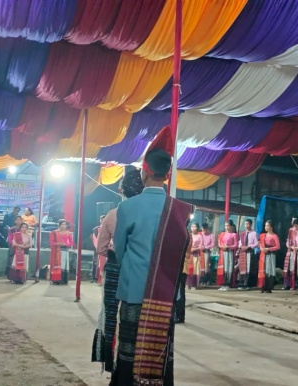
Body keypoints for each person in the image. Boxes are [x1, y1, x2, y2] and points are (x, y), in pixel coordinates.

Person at [108, 126, 192, 385]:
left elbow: (120, 251)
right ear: (167, 175)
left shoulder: (127, 207)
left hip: (134, 289)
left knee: (129, 351)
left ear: (145, 171)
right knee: (157, 352)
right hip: (164, 296)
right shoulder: (180, 210)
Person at [91, 169, 145, 373]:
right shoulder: (146, 214)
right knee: (135, 311)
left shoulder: (114, 214)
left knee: (111, 312)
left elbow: (101, 248)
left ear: (121, 189)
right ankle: (133, 361)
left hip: (115, 267)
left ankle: (110, 361)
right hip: (139, 266)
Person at [258, 220, 281, 293]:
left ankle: (269, 287)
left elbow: (278, 247)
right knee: (263, 270)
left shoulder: (274, 236)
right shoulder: (263, 235)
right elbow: (260, 244)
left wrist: (268, 249)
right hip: (263, 254)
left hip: (271, 254)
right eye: (265, 225)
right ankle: (262, 286)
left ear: (271, 227)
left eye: (267, 225)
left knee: (269, 270)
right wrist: (262, 248)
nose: (266, 227)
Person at [49, 219, 74, 285]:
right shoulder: (54, 232)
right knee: (57, 265)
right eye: (62, 224)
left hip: (65, 251)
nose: (63, 226)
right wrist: (58, 244)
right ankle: (55, 280)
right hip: (57, 251)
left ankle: (63, 280)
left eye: (65, 224)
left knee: (63, 265)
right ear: (59, 225)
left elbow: (71, 243)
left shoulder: (68, 233)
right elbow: (52, 242)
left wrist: (65, 244)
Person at [217, 220, 238, 291]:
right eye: (226, 226)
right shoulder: (223, 234)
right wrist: (222, 247)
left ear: (231, 226)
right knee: (224, 268)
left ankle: (228, 284)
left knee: (229, 268)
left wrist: (229, 247)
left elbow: (236, 245)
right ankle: (224, 283)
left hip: (230, 252)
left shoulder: (234, 235)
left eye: (228, 226)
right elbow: (219, 243)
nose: (227, 227)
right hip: (224, 252)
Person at [238, 219, 258, 290]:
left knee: (248, 268)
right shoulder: (242, 233)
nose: (246, 226)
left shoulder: (254, 233)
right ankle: (241, 283)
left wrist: (249, 246)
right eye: (245, 224)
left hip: (249, 251)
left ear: (251, 224)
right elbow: (239, 242)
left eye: (248, 224)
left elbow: (256, 243)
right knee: (242, 267)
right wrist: (241, 246)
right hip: (243, 251)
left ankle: (247, 283)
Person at [186, 223, 202, 290]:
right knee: (188, 269)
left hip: (195, 253)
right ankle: (188, 283)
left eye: (194, 226)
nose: (193, 228)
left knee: (195, 269)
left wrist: (195, 249)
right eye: (192, 226)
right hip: (189, 254)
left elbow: (201, 246)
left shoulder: (199, 236)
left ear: (197, 227)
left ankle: (194, 284)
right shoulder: (189, 235)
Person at [283, 218, 298, 290]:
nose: (293, 222)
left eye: (295, 220)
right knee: (288, 267)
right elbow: (288, 239)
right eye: (292, 220)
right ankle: (287, 284)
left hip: (296, 250)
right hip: (290, 250)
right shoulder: (290, 230)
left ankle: (294, 284)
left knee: (294, 267)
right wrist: (288, 245)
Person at [92, 215, 105, 283]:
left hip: (105, 248)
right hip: (98, 248)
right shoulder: (96, 229)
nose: (103, 220)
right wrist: (98, 247)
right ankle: (95, 277)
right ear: (100, 220)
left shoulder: (108, 228)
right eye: (101, 219)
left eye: (104, 219)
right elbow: (94, 239)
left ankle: (102, 278)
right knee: (96, 262)